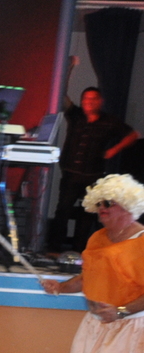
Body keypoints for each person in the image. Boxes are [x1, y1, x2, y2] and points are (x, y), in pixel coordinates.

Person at [41, 174, 144, 353]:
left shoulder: (141, 242)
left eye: (108, 203)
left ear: (127, 205)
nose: (102, 208)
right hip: (95, 321)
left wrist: (121, 312)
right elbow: (87, 278)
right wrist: (61, 287)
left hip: (127, 322)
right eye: (99, 203)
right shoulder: (98, 237)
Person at [50, 62, 140, 252]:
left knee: (87, 215)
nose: (89, 102)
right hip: (71, 173)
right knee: (63, 211)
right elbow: (62, 96)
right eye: (86, 99)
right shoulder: (75, 115)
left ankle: (80, 250)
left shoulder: (109, 121)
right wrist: (69, 69)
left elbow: (133, 135)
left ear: (100, 101)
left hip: (93, 176)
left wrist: (114, 150)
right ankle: (54, 249)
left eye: (93, 99)